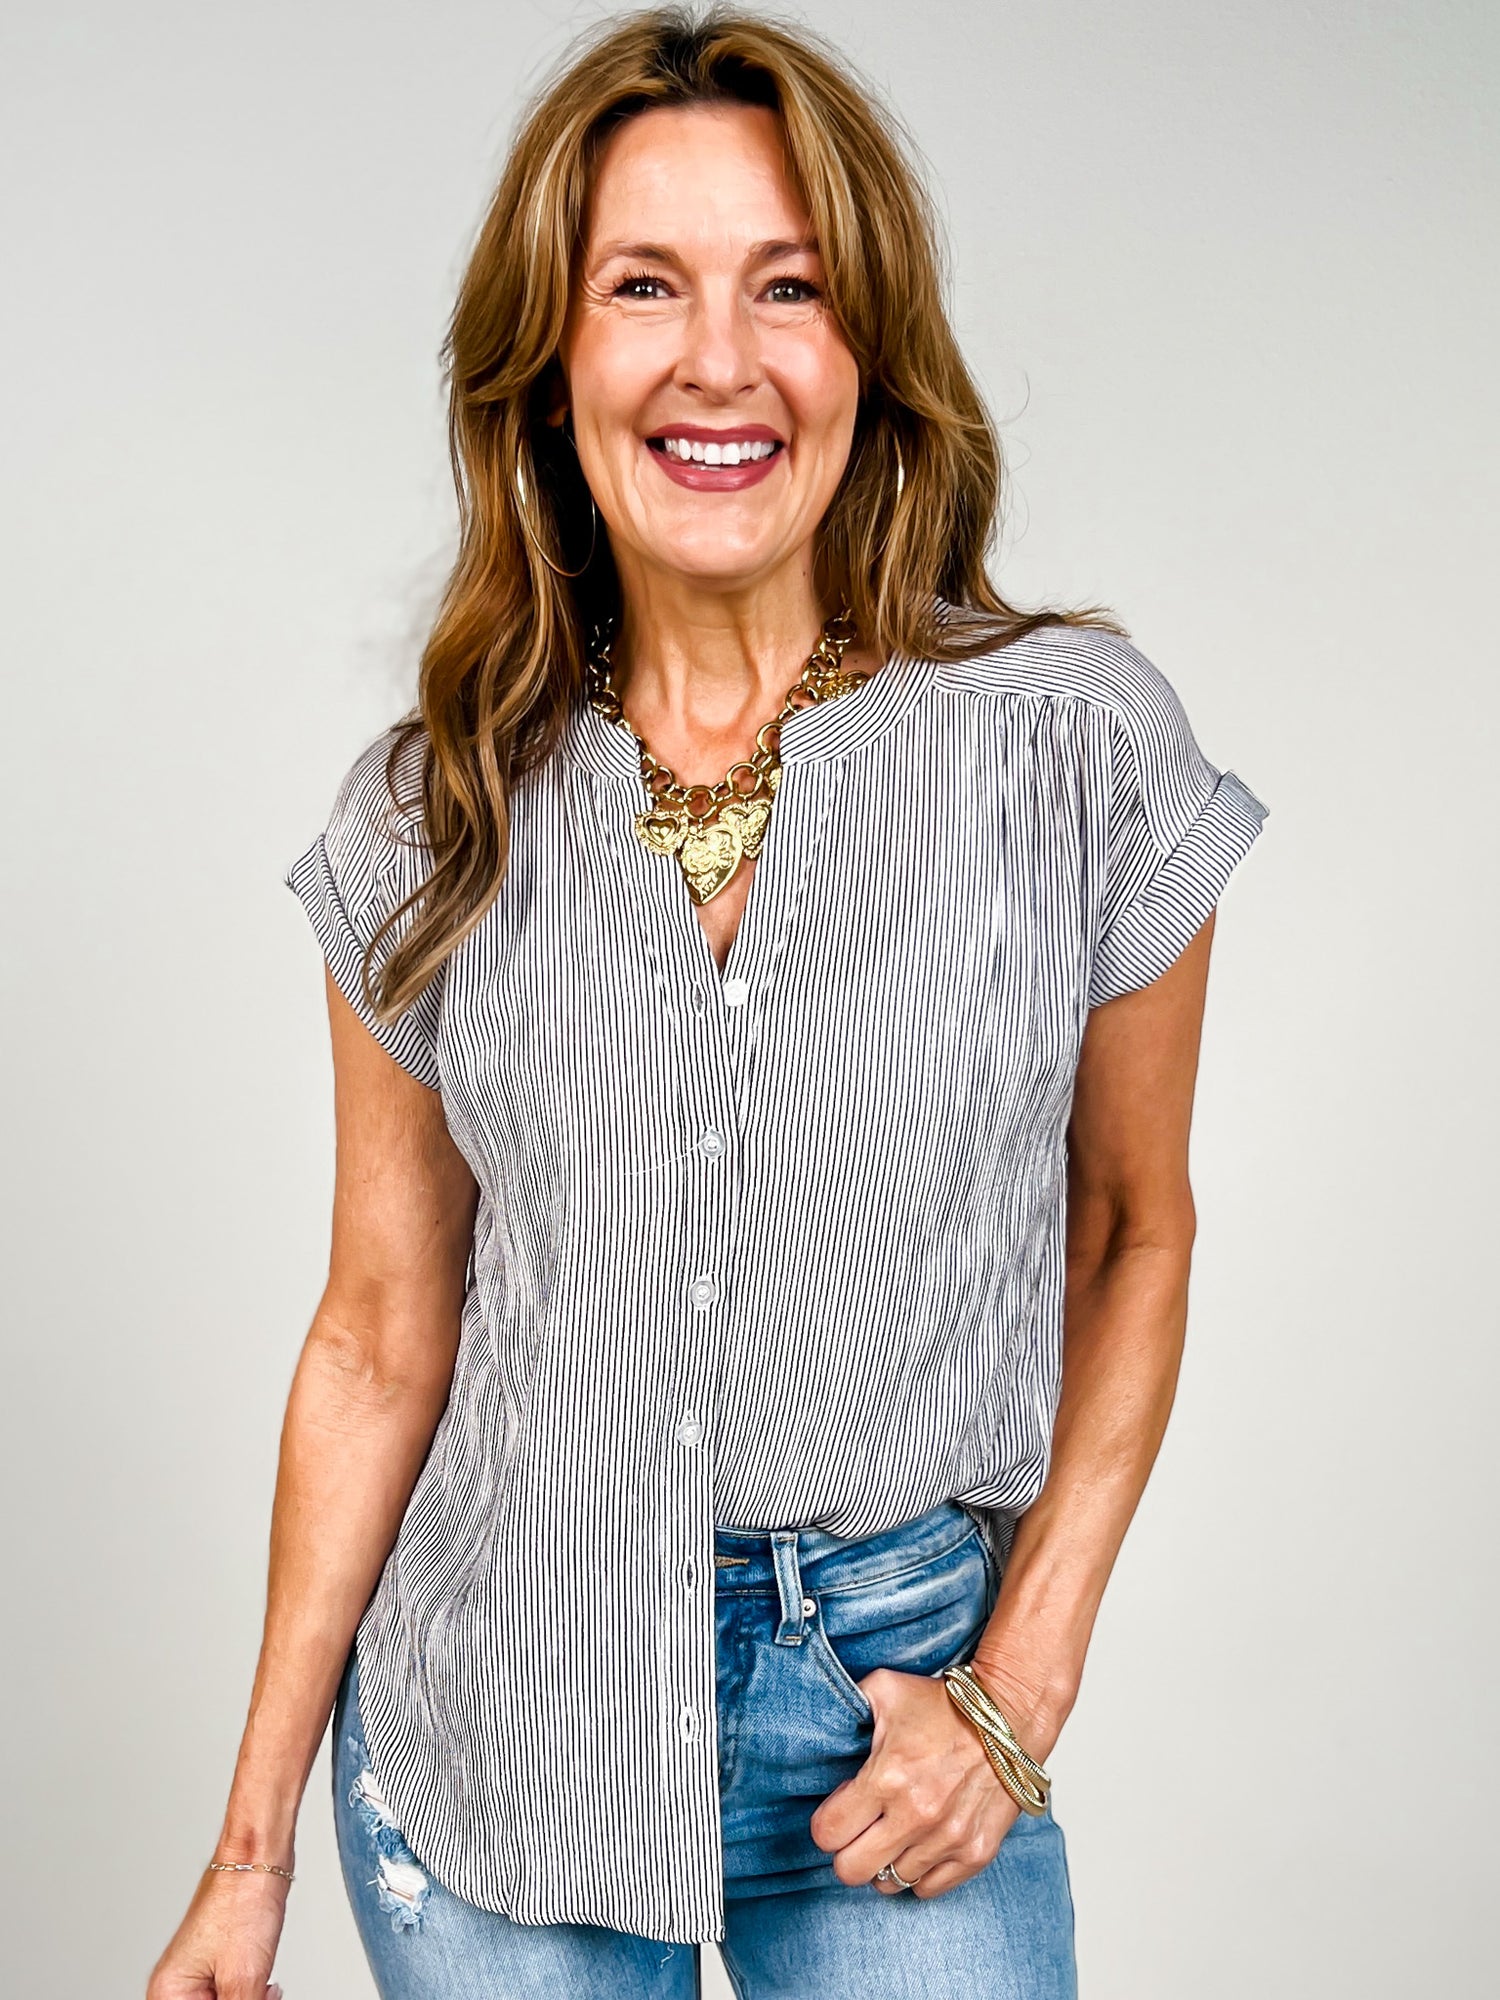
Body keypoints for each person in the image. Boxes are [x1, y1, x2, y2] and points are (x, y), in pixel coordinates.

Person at [148, 9, 1270, 1998]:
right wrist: (245, 1859)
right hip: (503, 1720)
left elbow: (1132, 1231)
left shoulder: (1073, 749)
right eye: (644, 286)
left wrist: (1017, 1687)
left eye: (790, 286)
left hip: (894, 1693)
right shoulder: (433, 811)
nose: (720, 361)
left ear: (870, 353)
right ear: (552, 363)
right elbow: (381, 1335)